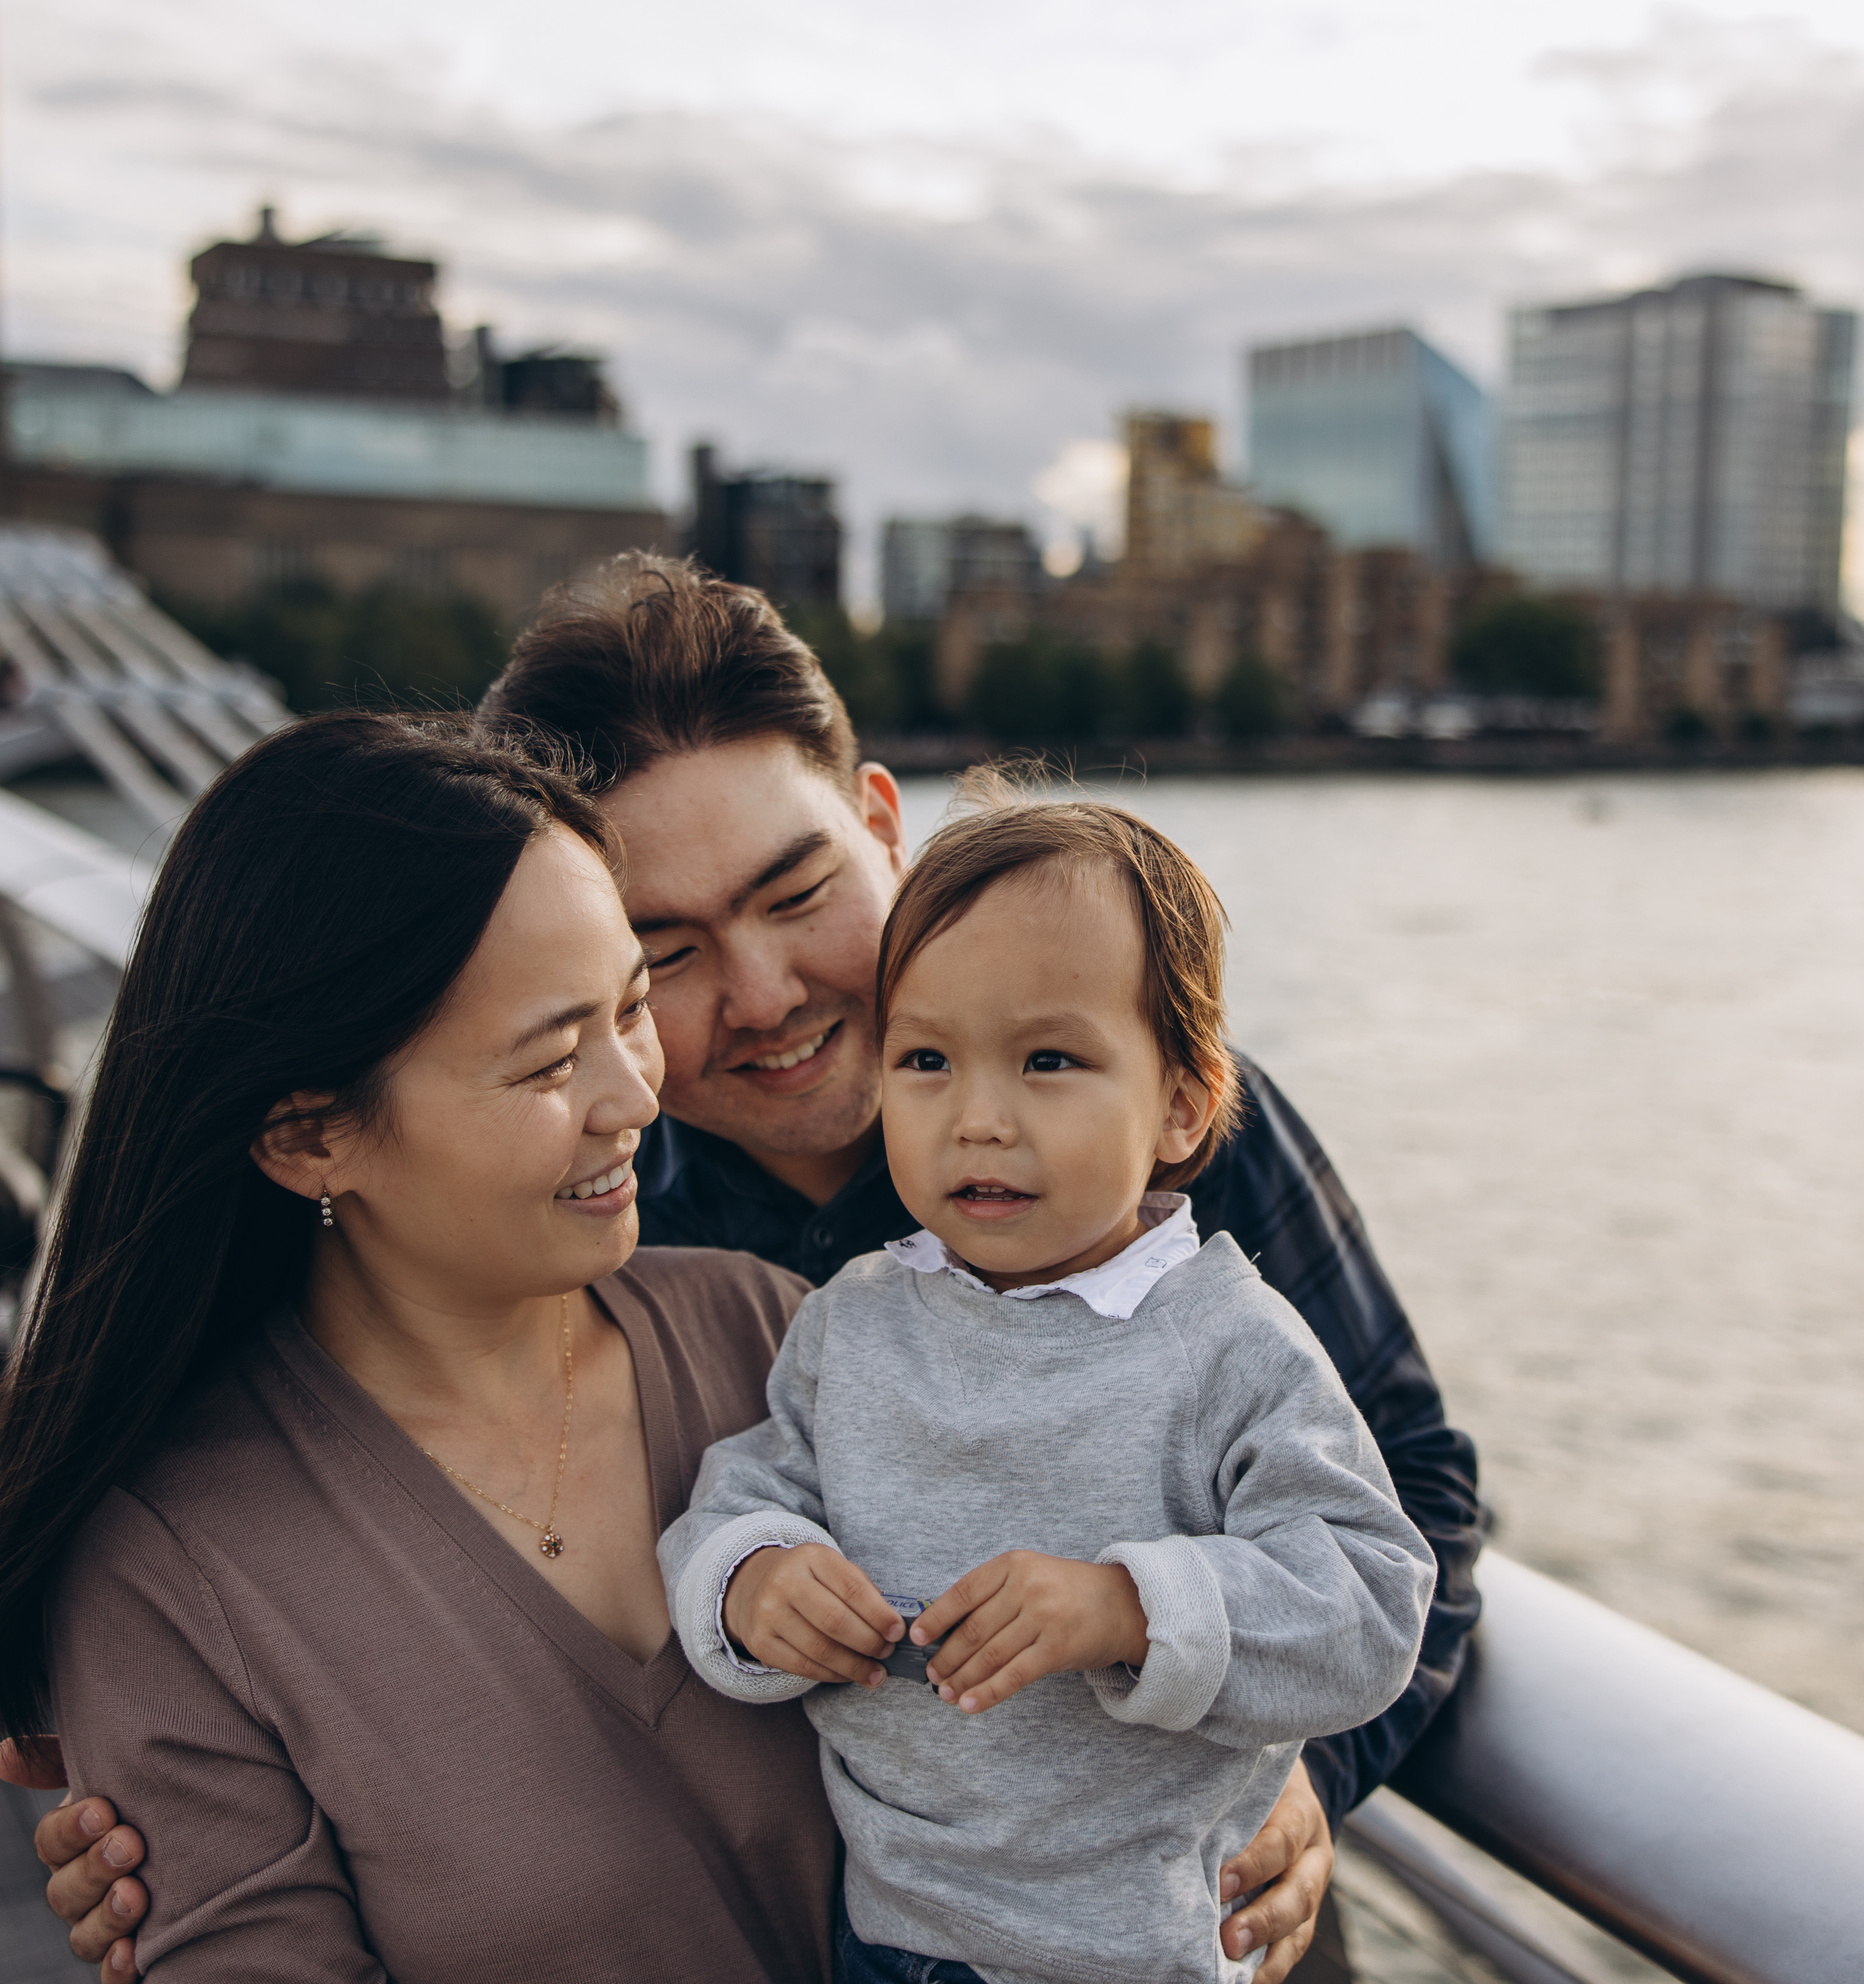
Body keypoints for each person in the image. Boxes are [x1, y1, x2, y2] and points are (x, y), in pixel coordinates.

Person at [29, 557, 1483, 1980]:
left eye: (796, 897)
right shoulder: (652, 1243)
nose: (765, 998)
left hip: (1193, 1912)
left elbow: (1399, 1494)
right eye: (667, 956)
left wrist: (1298, 1780)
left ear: (880, 825)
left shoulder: (1135, 1121)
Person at [0, 714, 840, 1978]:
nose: (635, 1095)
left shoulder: (775, 1336)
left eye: (631, 1005)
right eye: (551, 1060)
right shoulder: (170, 1581)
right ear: (307, 1138)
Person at [666, 789, 1434, 1982]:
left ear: (1182, 1101)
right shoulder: (852, 1318)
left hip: (1135, 1948)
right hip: (886, 1934)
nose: (978, 1117)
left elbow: (1375, 1598)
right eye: (926, 1059)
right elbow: (733, 1495)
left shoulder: (1227, 1341)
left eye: (1048, 1059)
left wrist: (1133, 1607)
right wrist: (751, 1576)